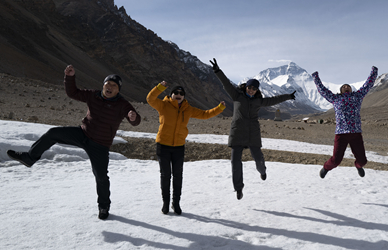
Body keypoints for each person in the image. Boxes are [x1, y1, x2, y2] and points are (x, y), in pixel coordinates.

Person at [6, 65, 141, 219]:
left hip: (100, 144)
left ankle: (104, 207)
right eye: (107, 84)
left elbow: (135, 121)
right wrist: (69, 77)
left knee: (101, 176)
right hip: (83, 133)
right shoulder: (93, 95)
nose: (110, 87)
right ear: (103, 85)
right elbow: (73, 93)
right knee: (53, 133)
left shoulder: (122, 104)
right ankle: (30, 158)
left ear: (118, 90)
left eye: (114, 86)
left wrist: (133, 117)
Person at [209, 58, 296, 200]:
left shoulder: (259, 101)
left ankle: (262, 171)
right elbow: (226, 84)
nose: (251, 90)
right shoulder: (237, 96)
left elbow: (275, 99)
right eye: (250, 87)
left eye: (254, 89)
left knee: (258, 158)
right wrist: (218, 71)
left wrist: (288, 96)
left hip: (253, 133)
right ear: (246, 87)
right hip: (237, 132)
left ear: (257, 91)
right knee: (235, 162)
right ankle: (238, 188)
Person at [147, 81, 226, 215]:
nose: (178, 95)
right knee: (165, 175)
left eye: (181, 94)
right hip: (163, 146)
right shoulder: (163, 105)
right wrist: (159, 87)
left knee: (178, 176)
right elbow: (150, 99)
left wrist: (219, 108)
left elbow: (205, 114)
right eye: (176, 93)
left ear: (184, 96)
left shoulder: (188, 109)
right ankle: (165, 204)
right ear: (171, 94)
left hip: (179, 147)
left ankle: (176, 203)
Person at [312, 67, 378, 179]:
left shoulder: (357, 96)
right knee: (336, 160)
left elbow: (368, 85)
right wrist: (316, 78)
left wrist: (374, 72)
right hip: (341, 134)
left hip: (356, 133)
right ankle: (326, 168)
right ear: (340, 90)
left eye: (348, 86)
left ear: (351, 90)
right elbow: (323, 90)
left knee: (363, 161)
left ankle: (358, 166)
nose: (346, 87)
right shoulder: (335, 98)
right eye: (343, 87)